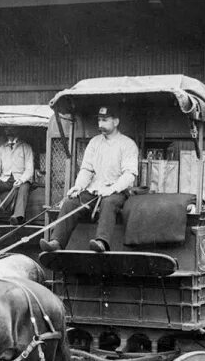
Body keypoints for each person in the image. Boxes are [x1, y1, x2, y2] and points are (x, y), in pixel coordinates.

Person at [39, 105, 138, 253]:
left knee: (109, 202)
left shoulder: (127, 144)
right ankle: (57, 242)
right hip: (95, 189)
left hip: (118, 190)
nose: (100, 125)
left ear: (116, 122)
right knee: (71, 202)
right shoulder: (94, 142)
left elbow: (129, 175)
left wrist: (111, 189)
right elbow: (87, 169)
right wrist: (78, 187)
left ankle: (101, 242)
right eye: (99, 120)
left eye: (105, 120)